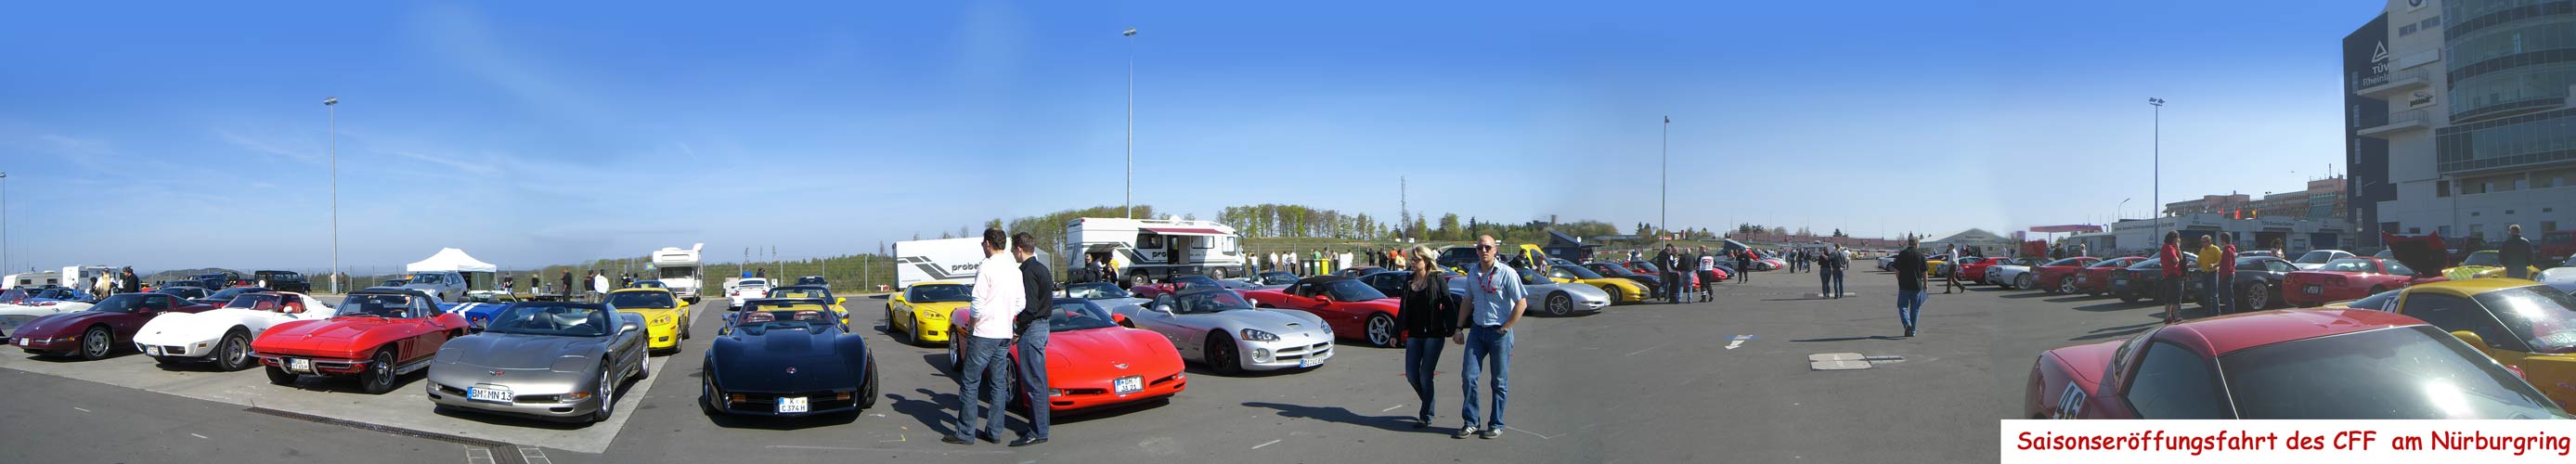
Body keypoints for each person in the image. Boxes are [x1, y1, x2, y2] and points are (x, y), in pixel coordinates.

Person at [946, 228, 1023, 445]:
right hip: (1004, 333)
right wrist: (1008, 318)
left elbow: (977, 303)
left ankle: (965, 432)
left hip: (984, 333)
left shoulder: (986, 267)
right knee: (998, 384)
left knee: (970, 382)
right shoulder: (1014, 270)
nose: (982, 246)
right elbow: (1021, 303)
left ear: (988, 243)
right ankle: (994, 432)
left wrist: (972, 325)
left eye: (983, 243)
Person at [1454, 235, 1523, 440]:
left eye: (1487, 247)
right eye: (1479, 247)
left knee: (1499, 381)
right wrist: (1459, 328)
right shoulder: (1472, 273)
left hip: (1499, 333)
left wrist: (1506, 328)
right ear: (1476, 251)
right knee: (1468, 376)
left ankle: (1496, 424)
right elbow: (1467, 300)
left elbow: (1521, 303)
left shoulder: (1507, 273)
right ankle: (1471, 422)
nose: (1483, 250)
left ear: (1495, 250)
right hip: (1477, 331)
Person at [1396, 245, 1460, 429]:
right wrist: (1395, 332)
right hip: (1414, 334)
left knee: (1425, 376)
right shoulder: (1408, 281)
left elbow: (1448, 304)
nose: (1413, 262)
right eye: (1412, 259)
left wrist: (1455, 329)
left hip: (1434, 334)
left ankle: (1426, 414)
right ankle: (1429, 402)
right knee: (1411, 375)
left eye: (1417, 259)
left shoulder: (1436, 279)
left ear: (1426, 260)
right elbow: (1403, 308)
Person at [1007, 233, 1054, 446]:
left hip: (1032, 328)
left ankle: (1038, 431)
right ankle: (1039, 426)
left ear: (1019, 249)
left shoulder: (1027, 272)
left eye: (1012, 250)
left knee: (1034, 382)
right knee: (1039, 381)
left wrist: (1018, 331)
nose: (1011, 253)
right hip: (1043, 326)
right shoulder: (1043, 268)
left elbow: (1030, 307)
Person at [1891, 238, 1927, 337]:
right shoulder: (1921, 255)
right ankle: (1913, 331)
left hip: (1904, 285)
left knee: (1902, 306)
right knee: (1915, 308)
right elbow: (1924, 272)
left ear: (1909, 244)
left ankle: (1907, 323)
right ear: (1917, 244)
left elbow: (1897, 270)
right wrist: (1926, 285)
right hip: (1917, 286)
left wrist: (1900, 280)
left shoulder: (1902, 254)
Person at [2194, 234, 2224, 316]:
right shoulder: (2202, 250)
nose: (2202, 244)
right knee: (2206, 294)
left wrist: (2214, 265)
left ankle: (2216, 313)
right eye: (2201, 242)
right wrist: (2191, 265)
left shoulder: (2215, 249)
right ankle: (2208, 313)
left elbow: (2220, 261)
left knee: (2214, 294)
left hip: (2213, 273)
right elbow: (2199, 263)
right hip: (2204, 273)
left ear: (2209, 241)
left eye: (2203, 242)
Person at [2159, 231, 2185, 325]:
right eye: (2176, 238)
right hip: (2172, 274)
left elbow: (2181, 257)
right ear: (2173, 238)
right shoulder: (2168, 247)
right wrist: (2177, 255)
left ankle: (2168, 316)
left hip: (2169, 274)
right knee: (2175, 296)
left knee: (2169, 296)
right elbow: (2176, 259)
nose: (2177, 240)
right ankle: (2176, 316)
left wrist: (2177, 247)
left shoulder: (2171, 247)